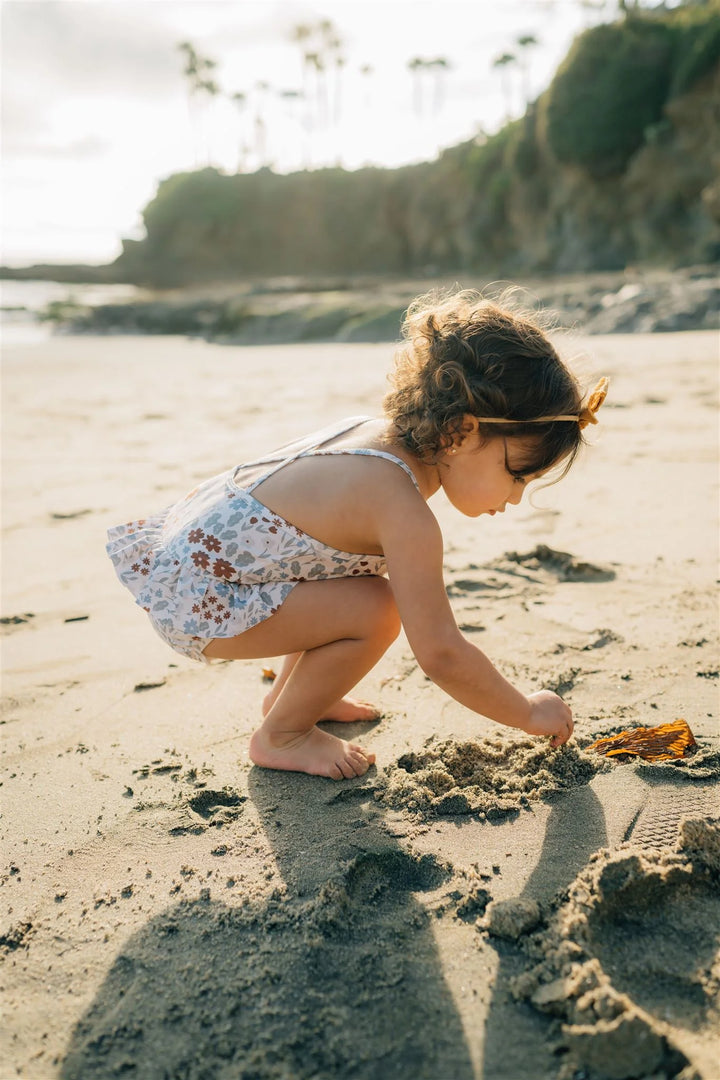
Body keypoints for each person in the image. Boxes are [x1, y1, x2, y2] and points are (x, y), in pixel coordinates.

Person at [107, 290, 608, 781]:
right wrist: (525, 711)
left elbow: (297, 563)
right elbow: (441, 654)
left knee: (354, 586)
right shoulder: (403, 511)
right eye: (518, 474)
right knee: (377, 610)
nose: (516, 498)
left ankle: (292, 697)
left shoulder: (372, 436)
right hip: (200, 601)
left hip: (183, 566)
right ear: (464, 431)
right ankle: (282, 734)